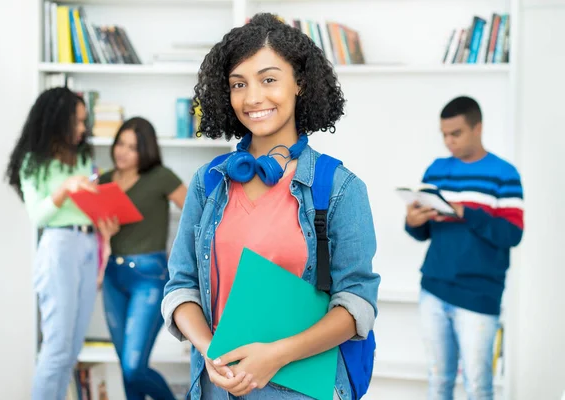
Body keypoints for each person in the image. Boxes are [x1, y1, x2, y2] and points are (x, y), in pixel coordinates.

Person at [162, 13, 380, 400]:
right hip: (218, 387)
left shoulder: (339, 189)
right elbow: (181, 287)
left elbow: (356, 304)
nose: (253, 98)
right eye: (238, 84)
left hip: (301, 388)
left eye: (268, 79)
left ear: (299, 84)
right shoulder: (208, 182)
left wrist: (276, 355)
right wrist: (208, 348)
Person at [404, 96, 524, 400]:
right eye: (444, 134)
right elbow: (425, 233)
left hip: (478, 295)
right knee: (438, 380)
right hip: (433, 288)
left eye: (456, 134)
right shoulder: (436, 170)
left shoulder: (504, 174)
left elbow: (512, 234)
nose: (448, 142)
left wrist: (465, 212)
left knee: (478, 386)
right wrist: (413, 221)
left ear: (478, 128)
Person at [5, 87, 119, 400]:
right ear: (58, 121)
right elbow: (38, 216)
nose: (83, 128)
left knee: (71, 350)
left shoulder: (81, 157)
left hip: (87, 244)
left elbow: (87, 206)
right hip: (59, 247)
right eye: (78, 122)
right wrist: (65, 189)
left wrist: (105, 221)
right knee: (56, 349)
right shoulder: (34, 162)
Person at [98, 117, 187, 400]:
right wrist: (105, 233)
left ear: (145, 151)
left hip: (150, 276)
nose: (122, 152)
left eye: (133, 147)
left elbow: (197, 213)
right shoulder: (104, 180)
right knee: (126, 369)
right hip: (114, 276)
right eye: (120, 143)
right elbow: (101, 232)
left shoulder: (160, 176)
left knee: (134, 367)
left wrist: (180, 254)